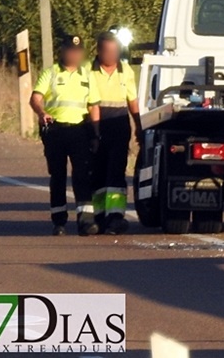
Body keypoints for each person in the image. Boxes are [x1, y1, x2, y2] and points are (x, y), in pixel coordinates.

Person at [30, 35, 101, 236]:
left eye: (78, 51)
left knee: (82, 176)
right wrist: (42, 113)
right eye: (70, 50)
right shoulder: (51, 73)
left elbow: (93, 106)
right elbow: (36, 98)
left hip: (79, 131)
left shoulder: (87, 76)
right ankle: (59, 221)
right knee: (58, 175)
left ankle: (86, 222)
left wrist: (95, 135)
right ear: (62, 51)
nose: (74, 54)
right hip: (55, 131)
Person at [88, 31, 142, 235]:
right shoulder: (87, 70)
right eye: (108, 51)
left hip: (119, 125)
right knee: (97, 172)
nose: (112, 55)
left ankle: (116, 217)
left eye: (115, 51)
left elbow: (132, 100)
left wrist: (138, 125)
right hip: (95, 125)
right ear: (99, 51)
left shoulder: (125, 70)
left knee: (116, 172)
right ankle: (98, 216)